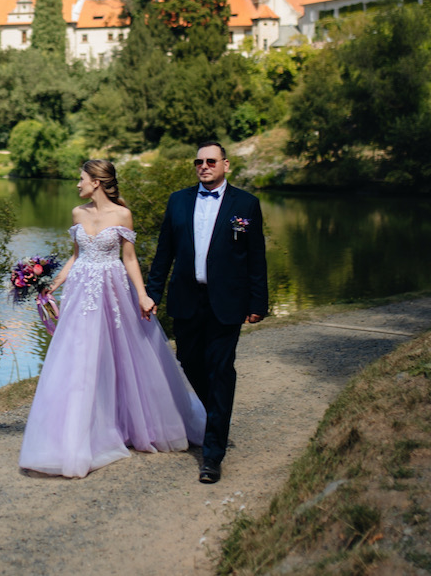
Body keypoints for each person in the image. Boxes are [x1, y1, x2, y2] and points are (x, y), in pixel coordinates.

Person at [19, 160, 205, 478]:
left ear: (97, 182)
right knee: (80, 358)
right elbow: (76, 256)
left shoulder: (122, 215)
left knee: (124, 355)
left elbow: (129, 259)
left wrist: (144, 295)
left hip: (114, 290)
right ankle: (80, 433)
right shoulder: (78, 213)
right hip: (80, 292)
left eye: (81, 179)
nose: (77, 184)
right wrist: (51, 285)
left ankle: (132, 422)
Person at [145, 141, 268, 484]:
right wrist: (151, 293)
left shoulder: (246, 204)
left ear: (226, 165)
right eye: (199, 161)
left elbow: (256, 257)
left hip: (227, 302)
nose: (204, 166)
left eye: (211, 161)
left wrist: (258, 302)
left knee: (220, 369)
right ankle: (215, 415)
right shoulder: (178, 201)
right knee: (189, 361)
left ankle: (213, 454)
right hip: (187, 299)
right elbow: (164, 253)